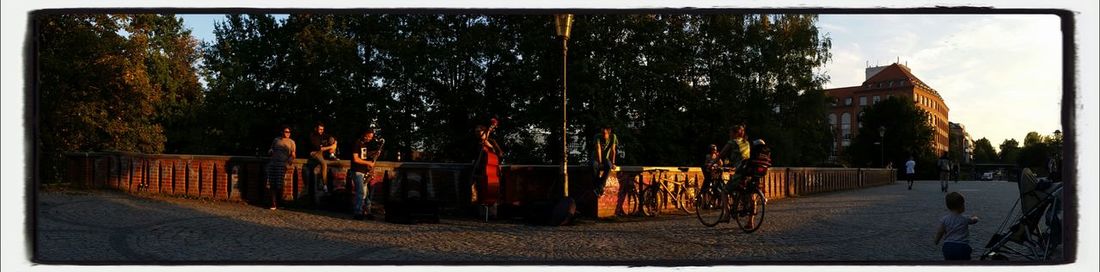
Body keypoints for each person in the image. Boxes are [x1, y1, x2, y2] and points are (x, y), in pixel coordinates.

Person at [934, 192, 980, 260]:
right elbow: (974, 220)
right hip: (962, 246)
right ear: (962, 206)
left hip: (948, 246)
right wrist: (975, 217)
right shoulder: (965, 218)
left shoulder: (945, 219)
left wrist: (936, 241)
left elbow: (940, 232)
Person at [350, 128, 381, 220]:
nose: (370, 138)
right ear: (364, 135)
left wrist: (375, 154)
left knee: (365, 193)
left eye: (371, 137)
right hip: (357, 170)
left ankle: (368, 212)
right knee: (360, 192)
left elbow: (364, 157)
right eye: (368, 136)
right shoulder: (357, 143)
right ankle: (358, 212)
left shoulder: (365, 145)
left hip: (364, 171)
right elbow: (355, 159)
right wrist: (369, 163)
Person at [266, 125, 296, 210]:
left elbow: (293, 154)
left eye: (289, 132)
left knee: (279, 184)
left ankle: (279, 202)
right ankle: (273, 203)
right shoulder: (276, 140)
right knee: (272, 183)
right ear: (282, 132)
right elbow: (271, 149)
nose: (288, 133)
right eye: (286, 132)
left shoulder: (291, 142)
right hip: (273, 163)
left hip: (282, 164)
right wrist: (270, 151)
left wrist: (289, 161)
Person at [719, 124, 751, 192]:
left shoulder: (733, 142)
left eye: (730, 133)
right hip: (748, 168)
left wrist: (711, 164)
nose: (729, 134)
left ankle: (725, 203)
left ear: (735, 133)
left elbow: (721, 154)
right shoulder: (746, 142)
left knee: (724, 191)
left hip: (740, 169)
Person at [307, 122, 338, 194]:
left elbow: (332, 137)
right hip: (315, 153)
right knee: (324, 164)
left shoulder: (322, 135)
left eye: (322, 129)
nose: (321, 131)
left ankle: (332, 154)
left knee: (332, 139)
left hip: (322, 153)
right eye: (320, 129)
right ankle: (325, 184)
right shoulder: (312, 136)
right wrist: (331, 147)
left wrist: (334, 144)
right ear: (316, 129)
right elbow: (319, 148)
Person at [591, 125, 618, 197]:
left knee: (609, 166)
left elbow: (613, 150)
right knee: (594, 166)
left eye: (604, 133)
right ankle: (597, 187)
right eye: (602, 132)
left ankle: (600, 185)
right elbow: (598, 149)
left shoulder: (613, 137)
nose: (602, 134)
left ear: (609, 133)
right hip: (596, 157)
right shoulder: (597, 136)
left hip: (606, 158)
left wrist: (613, 163)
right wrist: (600, 162)